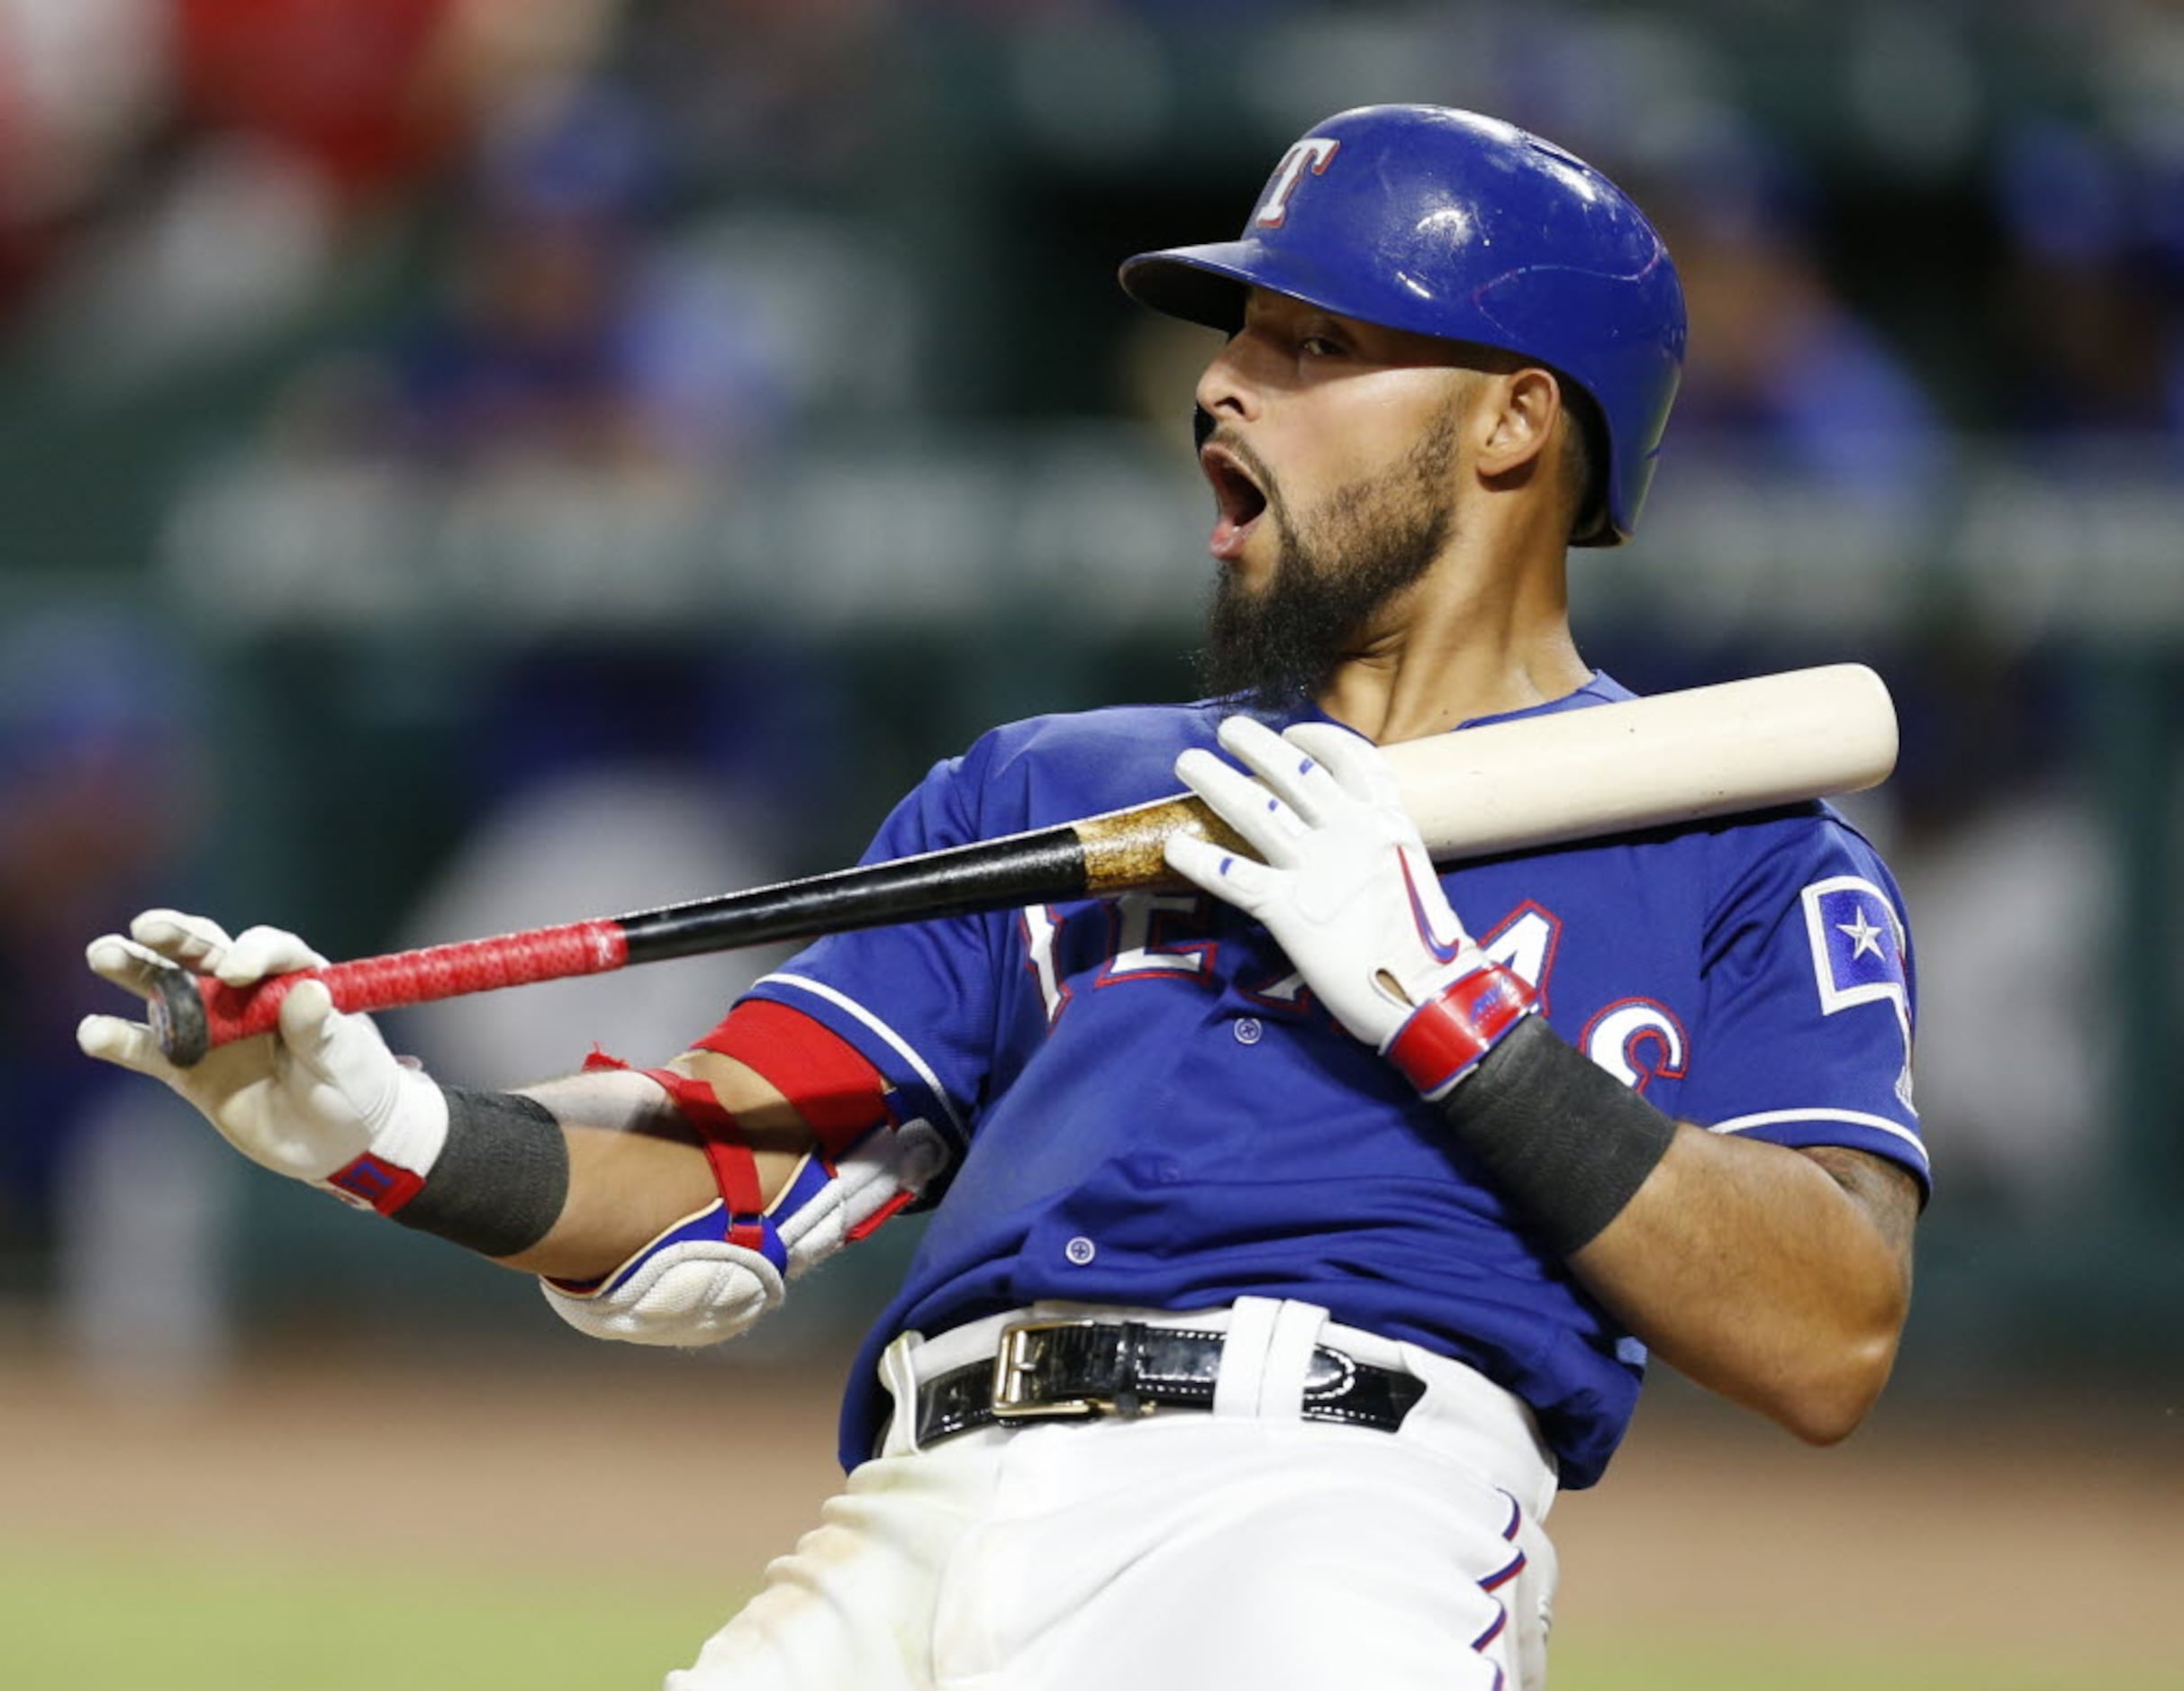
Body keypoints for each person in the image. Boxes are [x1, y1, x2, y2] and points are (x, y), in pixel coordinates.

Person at [78, 105, 1926, 1691]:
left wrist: (1450, 1020)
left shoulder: (1738, 846)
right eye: (1236, 338)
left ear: (1514, 425)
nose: (1222, 381)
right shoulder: (1055, 788)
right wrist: (375, 1123)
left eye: (1305, 343)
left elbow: (1826, 1329)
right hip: (908, 1521)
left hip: (1323, 1520)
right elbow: (738, 1178)